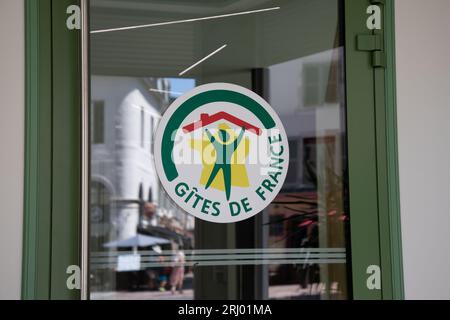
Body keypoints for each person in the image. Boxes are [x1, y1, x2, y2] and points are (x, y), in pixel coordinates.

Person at [204, 126, 246, 200]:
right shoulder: (229, 146)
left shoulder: (222, 145)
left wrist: (207, 131)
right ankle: (227, 197)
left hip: (222, 164)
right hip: (223, 164)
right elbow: (238, 140)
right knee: (220, 180)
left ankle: (227, 197)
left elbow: (212, 138)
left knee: (223, 180)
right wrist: (242, 131)